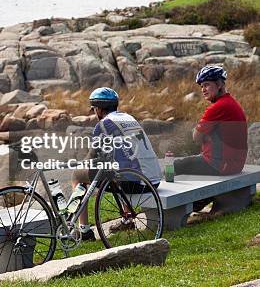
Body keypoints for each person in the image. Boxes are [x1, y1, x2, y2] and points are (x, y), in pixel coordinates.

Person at [71, 87, 162, 241]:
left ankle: (84, 231)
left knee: (77, 176)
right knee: (119, 167)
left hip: (136, 182)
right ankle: (126, 221)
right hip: (153, 180)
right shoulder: (128, 117)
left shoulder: (104, 124)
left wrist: (81, 164)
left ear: (98, 109)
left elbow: (92, 155)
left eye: (94, 109)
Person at [174, 65, 248, 177]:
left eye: (207, 85)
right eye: (202, 86)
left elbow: (196, 137)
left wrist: (204, 134)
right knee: (191, 160)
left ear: (219, 84)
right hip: (234, 163)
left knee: (174, 165)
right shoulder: (231, 102)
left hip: (219, 165)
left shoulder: (218, 107)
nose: (203, 90)